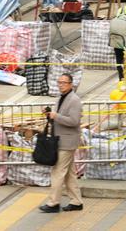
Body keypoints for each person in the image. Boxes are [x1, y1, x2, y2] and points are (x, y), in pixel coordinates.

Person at [39, 73, 83, 213]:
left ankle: (53, 203)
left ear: (71, 84)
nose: (61, 85)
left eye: (64, 82)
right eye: (59, 82)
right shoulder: (61, 98)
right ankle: (76, 201)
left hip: (67, 141)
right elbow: (59, 117)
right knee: (69, 174)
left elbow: (74, 121)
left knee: (57, 172)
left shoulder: (74, 100)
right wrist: (50, 114)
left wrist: (56, 116)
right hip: (61, 140)